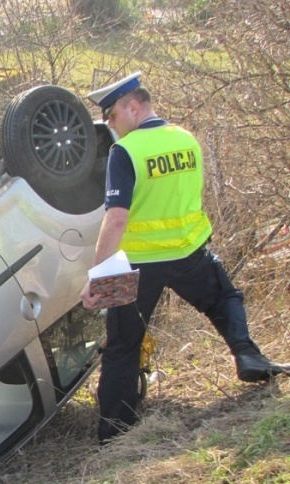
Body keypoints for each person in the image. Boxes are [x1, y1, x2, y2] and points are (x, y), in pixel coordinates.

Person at [80, 72, 290, 445]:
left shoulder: (125, 152)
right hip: (188, 251)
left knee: (123, 346)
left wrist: (98, 277)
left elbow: (116, 219)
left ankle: (114, 433)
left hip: (136, 262)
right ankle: (249, 357)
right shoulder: (186, 139)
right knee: (225, 298)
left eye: (112, 115)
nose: (110, 124)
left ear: (133, 107)